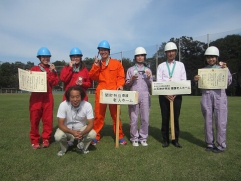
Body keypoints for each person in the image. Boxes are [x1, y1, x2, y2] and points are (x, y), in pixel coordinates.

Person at [194, 46, 232, 153]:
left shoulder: (223, 69)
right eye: (209, 57)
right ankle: (209, 143)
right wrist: (196, 79)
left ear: (217, 58)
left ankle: (221, 145)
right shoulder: (203, 71)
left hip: (220, 96)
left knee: (221, 120)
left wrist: (226, 69)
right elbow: (199, 85)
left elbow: (229, 82)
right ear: (206, 58)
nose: (211, 59)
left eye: (213, 57)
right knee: (208, 120)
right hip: (206, 96)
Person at [89, 40, 127, 145]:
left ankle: (119, 136)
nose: (103, 52)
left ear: (109, 51)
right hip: (101, 91)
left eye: (105, 50)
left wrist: (120, 85)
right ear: (99, 52)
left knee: (115, 115)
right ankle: (95, 136)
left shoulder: (117, 63)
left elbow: (121, 77)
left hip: (113, 91)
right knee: (99, 115)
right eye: (101, 50)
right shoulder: (97, 64)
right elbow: (92, 77)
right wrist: (96, 65)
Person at [157, 42, 186, 148]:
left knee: (175, 118)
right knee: (165, 118)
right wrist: (166, 94)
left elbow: (183, 80)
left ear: (176, 53)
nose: (171, 53)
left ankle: (175, 140)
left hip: (176, 96)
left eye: (173, 51)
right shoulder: (161, 66)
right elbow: (159, 81)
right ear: (166, 53)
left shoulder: (180, 65)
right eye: (169, 51)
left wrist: (175, 93)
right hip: (164, 96)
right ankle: (165, 140)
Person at [29, 47, 59, 149]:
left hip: (48, 98)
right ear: (39, 58)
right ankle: (35, 140)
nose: (46, 59)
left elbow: (54, 82)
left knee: (47, 120)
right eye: (43, 57)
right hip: (35, 98)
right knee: (34, 119)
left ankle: (46, 139)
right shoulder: (34, 69)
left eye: (47, 57)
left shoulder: (52, 69)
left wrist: (51, 72)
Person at [54, 86, 96, 156]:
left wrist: (82, 133)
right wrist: (72, 132)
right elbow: (60, 124)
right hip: (68, 130)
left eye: (77, 96)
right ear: (68, 97)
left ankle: (83, 146)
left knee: (92, 134)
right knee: (58, 136)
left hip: (81, 130)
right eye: (72, 97)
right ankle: (64, 148)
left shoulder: (87, 105)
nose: (75, 99)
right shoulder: (63, 105)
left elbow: (91, 123)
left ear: (81, 96)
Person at [125, 47, 152, 146]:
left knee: (145, 117)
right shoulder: (131, 69)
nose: (140, 57)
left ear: (144, 57)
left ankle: (143, 137)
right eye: (138, 56)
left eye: (142, 55)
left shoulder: (148, 70)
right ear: (135, 57)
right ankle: (134, 138)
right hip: (133, 94)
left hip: (145, 95)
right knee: (134, 117)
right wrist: (131, 78)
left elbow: (151, 85)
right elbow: (127, 84)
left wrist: (149, 78)